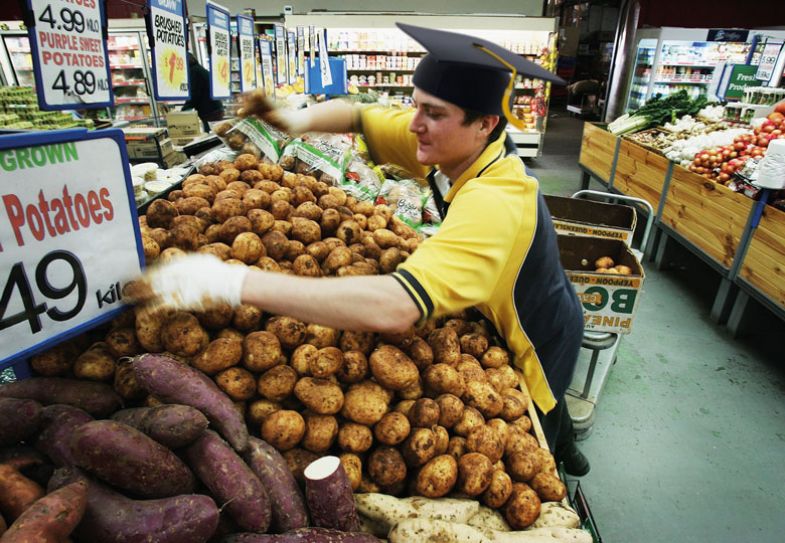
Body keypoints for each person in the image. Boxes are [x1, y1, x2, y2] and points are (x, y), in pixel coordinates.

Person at [138, 24, 589, 476]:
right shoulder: (455, 144)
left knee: (541, 411)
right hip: (485, 292)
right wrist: (294, 119)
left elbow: (394, 307)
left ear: (486, 125)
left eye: (432, 113)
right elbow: (359, 115)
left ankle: (564, 448)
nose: (415, 125)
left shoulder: (496, 201)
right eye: (415, 106)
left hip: (534, 329)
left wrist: (232, 281)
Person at [182, 52, 224, 132]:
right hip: (215, 108)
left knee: (212, 134)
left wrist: (185, 109)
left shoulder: (194, 71)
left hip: (209, 111)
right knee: (216, 134)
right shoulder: (200, 69)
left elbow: (194, 92)